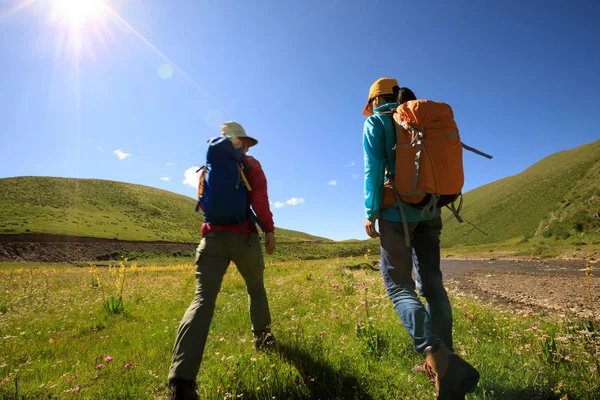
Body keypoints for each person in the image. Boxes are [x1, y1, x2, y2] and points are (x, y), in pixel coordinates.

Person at [362, 78, 479, 399]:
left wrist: (370, 211)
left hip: (395, 215)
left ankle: (440, 358)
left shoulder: (377, 123)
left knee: (399, 286)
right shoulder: (418, 119)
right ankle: (444, 365)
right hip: (431, 212)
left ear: (374, 101)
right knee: (434, 287)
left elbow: (373, 172)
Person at [167, 121, 277, 400]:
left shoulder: (207, 169)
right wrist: (269, 230)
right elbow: (259, 200)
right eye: (247, 142)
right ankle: (263, 339)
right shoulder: (251, 165)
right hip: (244, 238)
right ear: (241, 141)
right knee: (255, 288)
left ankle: (181, 381)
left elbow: (204, 204)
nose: (248, 146)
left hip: (211, 239)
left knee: (202, 300)